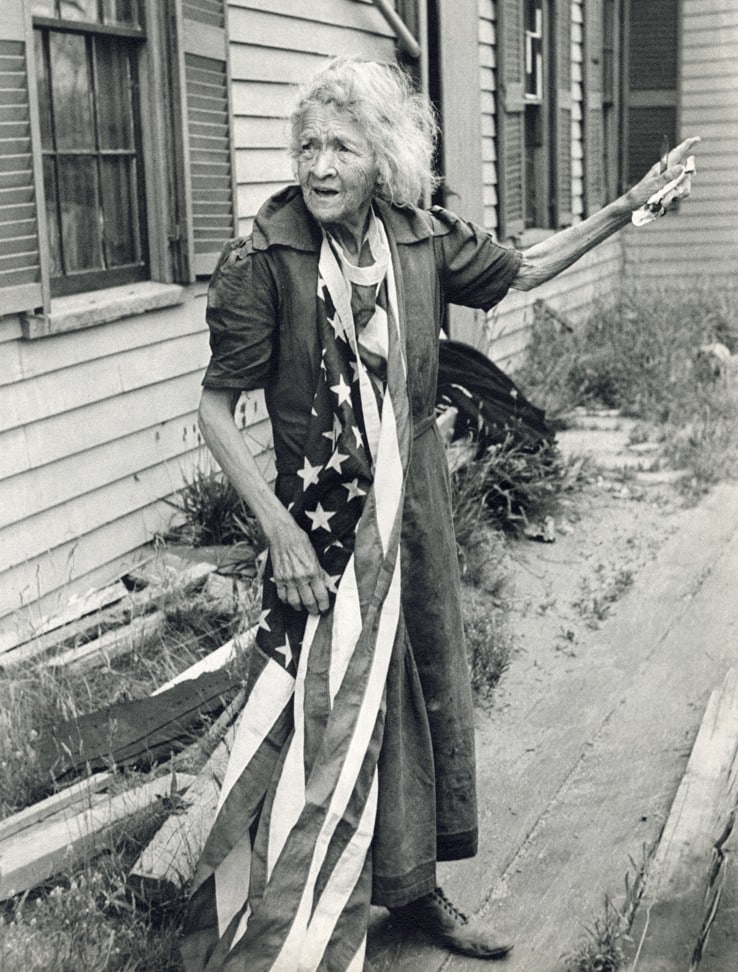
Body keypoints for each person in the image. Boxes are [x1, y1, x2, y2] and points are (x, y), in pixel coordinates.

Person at [180, 57, 699, 972]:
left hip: (413, 494)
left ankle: (413, 892)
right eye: (307, 145)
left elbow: (527, 265)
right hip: (321, 512)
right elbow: (217, 411)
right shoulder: (266, 258)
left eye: (342, 145)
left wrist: (625, 209)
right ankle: (296, 893)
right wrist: (281, 532)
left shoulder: (416, 238)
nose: (321, 165)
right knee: (321, 700)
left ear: (382, 158)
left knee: (421, 684)